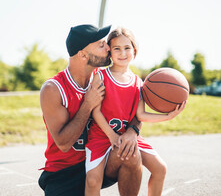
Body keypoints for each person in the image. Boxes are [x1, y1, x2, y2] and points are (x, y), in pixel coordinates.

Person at [38, 24, 143, 196]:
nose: (108, 48)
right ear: (83, 54)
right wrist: (88, 104)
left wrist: (133, 130)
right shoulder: (54, 89)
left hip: (99, 160)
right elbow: (64, 144)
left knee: (130, 151)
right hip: (65, 172)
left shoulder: (106, 77)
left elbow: (136, 110)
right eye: (101, 45)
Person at [85, 27, 187, 196]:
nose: (122, 53)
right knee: (93, 181)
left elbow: (140, 115)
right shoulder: (101, 76)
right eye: (117, 48)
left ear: (134, 50)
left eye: (127, 48)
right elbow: (95, 112)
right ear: (110, 52)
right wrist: (112, 136)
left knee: (160, 168)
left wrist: (168, 116)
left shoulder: (138, 82)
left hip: (129, 136)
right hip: (101, 137)